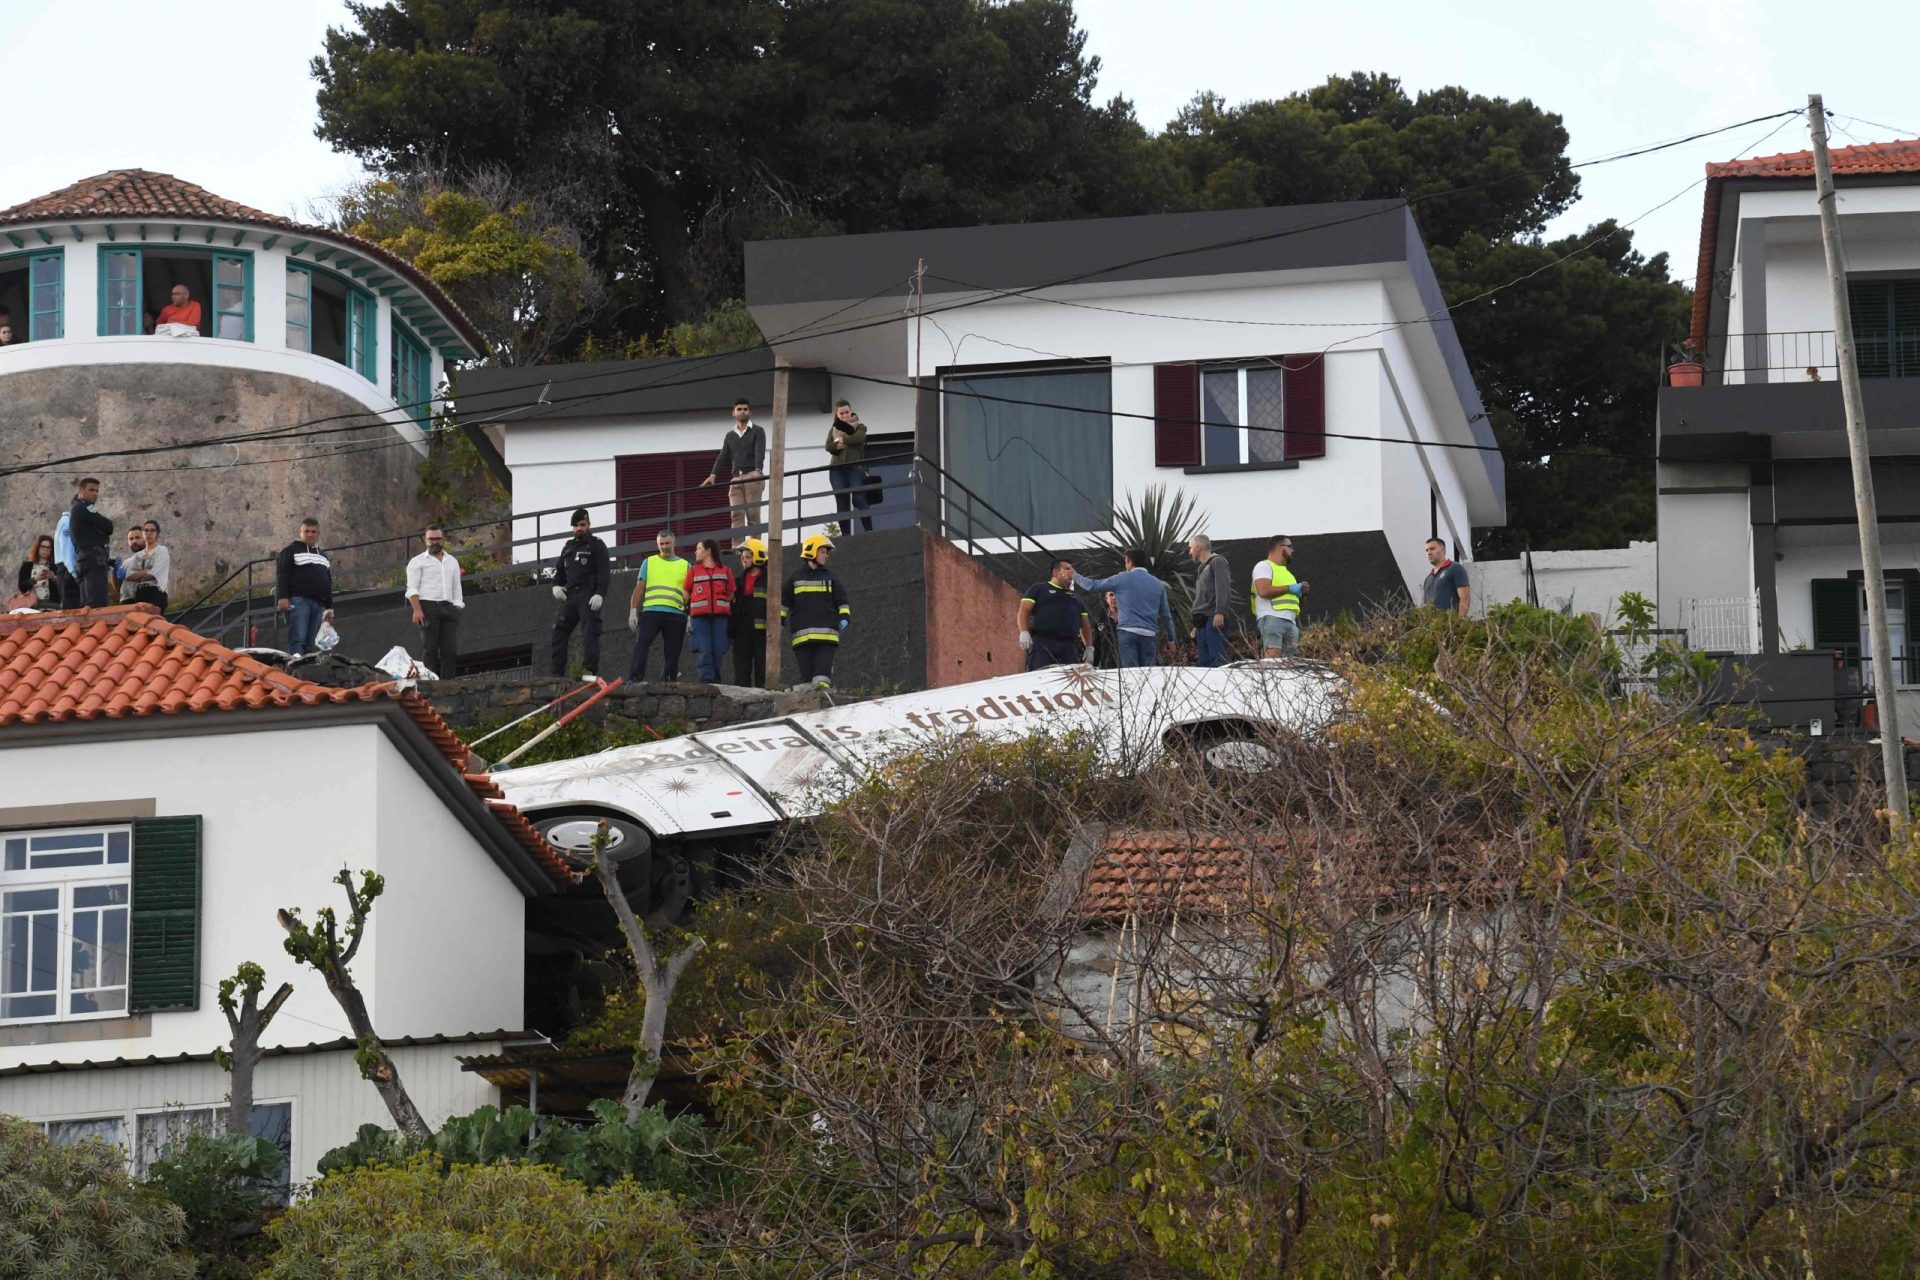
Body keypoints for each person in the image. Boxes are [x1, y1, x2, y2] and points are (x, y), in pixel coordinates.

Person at [1074, 551, 1174, 669]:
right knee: (1148, 675)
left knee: (1130, 675)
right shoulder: (1157, 584)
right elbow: (1166, 615)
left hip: (1127, 633)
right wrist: (1171, 640)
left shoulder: (1122, 578)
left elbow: (1092, 586)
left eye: (1126, 563)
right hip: (1149, 634)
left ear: (1130, 562)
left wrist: (1075, 576)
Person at [782, 533, 850, 690]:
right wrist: (779, 621)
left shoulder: (831, 577)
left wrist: (845, 616)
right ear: (811, 552)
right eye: (823, 552)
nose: (826, 556)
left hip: (826, 638)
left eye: (826, 553)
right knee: (807, 682)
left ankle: (823, 705)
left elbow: (842, 601)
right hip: (802, 639)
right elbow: (784, 604)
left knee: (821, 681)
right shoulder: (795, 578)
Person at [549, 508, 610, 678]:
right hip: (570, 596)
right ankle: (557, 675)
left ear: (588, 525)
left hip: (588, 595)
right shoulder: (568, 547)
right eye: (575, 526)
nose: (579, 529)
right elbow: (559, 572)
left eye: (582, 525)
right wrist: (555, 586)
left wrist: (600, 593)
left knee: (590, 632)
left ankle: (589, 671)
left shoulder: (597, 545)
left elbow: (604, 572)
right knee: (558, 632)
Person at [627, 529, 691, 682]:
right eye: (661, 544)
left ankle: (669, 681)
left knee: (673, 652)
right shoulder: (648, 562)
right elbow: (639, 588)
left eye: (667, 543)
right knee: (641, 645)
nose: (664, 546)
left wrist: (690, 616)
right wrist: (633, 610)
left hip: (676, 614)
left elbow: (690, 593)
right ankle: (635, 679)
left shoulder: (685, 565)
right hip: (651, 612)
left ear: (674, 543)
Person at [701, 398, 767, 533]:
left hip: (752, 476)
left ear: (749, 412)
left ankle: (755, 548)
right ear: (734, 413)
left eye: (745, 409)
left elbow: (759, 450)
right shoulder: (730, 435)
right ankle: (738, 549)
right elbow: (723, 455)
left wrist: (758, 469)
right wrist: (713, 475)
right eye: (739, 409)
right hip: (736, 478)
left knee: (753, 515)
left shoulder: (758, 431)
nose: (742, 412)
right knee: (736, 514)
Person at [405, 525, 465, 676]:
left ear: (442, 540)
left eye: (437, 539)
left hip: (449, 608)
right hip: (428, 607)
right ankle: (430, 686)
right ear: (426, 540)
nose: (434, 542)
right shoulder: (417, 562)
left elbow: (457, 587)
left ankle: (448, 686)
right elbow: (412, 588)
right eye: (431, 539)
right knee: (430, 649)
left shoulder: (452, 561)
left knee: (450, 651)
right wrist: (417, 610)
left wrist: (457, 607)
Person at [1019, 558, 1093, 670]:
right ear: (1055, 572)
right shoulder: (1038, 589)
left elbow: (1085, 624)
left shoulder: (1076, 597)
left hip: (1069, 647)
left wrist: (1089, 647)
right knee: (1040, 677)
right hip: (1044, 643)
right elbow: (1023, 611)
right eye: (1067, 569)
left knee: (1070, 682)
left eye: (1073, 570)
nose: (1071, 573)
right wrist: (1023, 631)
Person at [275, 518, 334, 656]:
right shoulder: (290, 551)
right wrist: (283, 597)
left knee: (310, 643)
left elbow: (328, 583)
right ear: (300, 533)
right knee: (298, 638)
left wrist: (329, 609)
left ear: (318, 534)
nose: (310, 534)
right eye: (306, 531)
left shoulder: (323, 556)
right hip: (299, 600)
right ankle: (295, 664)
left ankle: (306, 670)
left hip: (318, 604)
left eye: (313, 531)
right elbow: (283, 574)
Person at [686, 539, 735, 683]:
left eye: (699, 548)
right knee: (704, 649)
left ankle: (716, 681)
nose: (696, 552)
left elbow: (731, 593)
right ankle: (707, 682)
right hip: (700, 618)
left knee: (719, 649)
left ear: (708, 551)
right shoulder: (693, 571)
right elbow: (685, 592)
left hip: (720, 618)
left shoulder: (725, 570)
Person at [1250, 534, 1306, 657]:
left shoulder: (1288, 574)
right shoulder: (1263, 566)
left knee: (1288, 665)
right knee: (1272, 661)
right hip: (1272, 618)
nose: (1293, 550)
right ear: (1280, 548)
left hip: (1291, 622)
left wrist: (1302, 592)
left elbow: (1293, 601)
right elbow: (1263, 591)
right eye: (1290, 546)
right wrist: (1290, 588)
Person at [824, 399, 873, 536]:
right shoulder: (833, 429)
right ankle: (845, 536)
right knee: (841, 499)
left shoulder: (860, 426)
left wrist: (841, 440)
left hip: (855, 468)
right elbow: (828, 446)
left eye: (847, 412)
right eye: (841, 413)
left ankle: (869, 530)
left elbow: (858, 438)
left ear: (851, 411)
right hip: (836, 469)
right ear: (837, 414)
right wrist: (843, 441)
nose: (845, 415)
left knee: (859, 497)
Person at [67, 477, 115, 608]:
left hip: (85, 559)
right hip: (93, 557)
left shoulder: (77, 509)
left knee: (88, 605)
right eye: (91, 490)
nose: (95, 493)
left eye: (97, 491)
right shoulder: (83, 507)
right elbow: (108, 526)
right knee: (97, 604)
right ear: (81, 491)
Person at [1188, 535, 1234, 667]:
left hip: (1214, 618)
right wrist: (1197, 626)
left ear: (1198, 547)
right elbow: (1202, 595)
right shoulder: (1201, 568)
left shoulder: (1217, 561)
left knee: (1218, 660)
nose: (1189, 552)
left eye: (1190, 548)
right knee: (1205, 662)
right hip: (1202, 621)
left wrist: (1220, 612)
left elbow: (1223, 587)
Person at [730, 538, 768, 687]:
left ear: (757, 557)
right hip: (741, 632)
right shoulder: (738, 580)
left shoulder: (770, 580)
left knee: (762, 669)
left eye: (747, 557)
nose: (744, 560)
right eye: (742, 557)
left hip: (762, 632)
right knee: (740, 670)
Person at [1421, 537, 1471, 616]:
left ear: (1443, 550)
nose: (1429, 552)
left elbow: (1465, 598)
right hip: (1432, 626)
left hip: (1450, 624)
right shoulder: (1428, 579)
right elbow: (1425, 606)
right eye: (1427, 550)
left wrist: (1459, 623)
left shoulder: (1455, 568)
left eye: (1432, 549)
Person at [135, 519, 170, 610]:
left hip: (156, 592)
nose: (149, 533)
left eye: (152, 530)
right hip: (140, 593)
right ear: (142, 533)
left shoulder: (162, 550)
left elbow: (154, 573)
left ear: (157, 533)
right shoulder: (139, 555)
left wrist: (137, 576)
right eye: (146, 530)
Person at [16, 534, 56, 609]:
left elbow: (64, 587)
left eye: (49, 547)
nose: (46, 549)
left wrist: (54, 578)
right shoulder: (27, 566)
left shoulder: (55, 567)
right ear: (37, 548)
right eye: (43, 546)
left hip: (52, 605)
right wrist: (34, 579)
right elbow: (21, 587)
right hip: (31, 604)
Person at [114, 527, 146, 603]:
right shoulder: (126, 562)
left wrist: (128, 574)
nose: (134, 541)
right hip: (126, 601)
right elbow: (118, 588)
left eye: (138, 538)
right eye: (131, 539)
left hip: (144, 601)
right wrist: (115, 573)